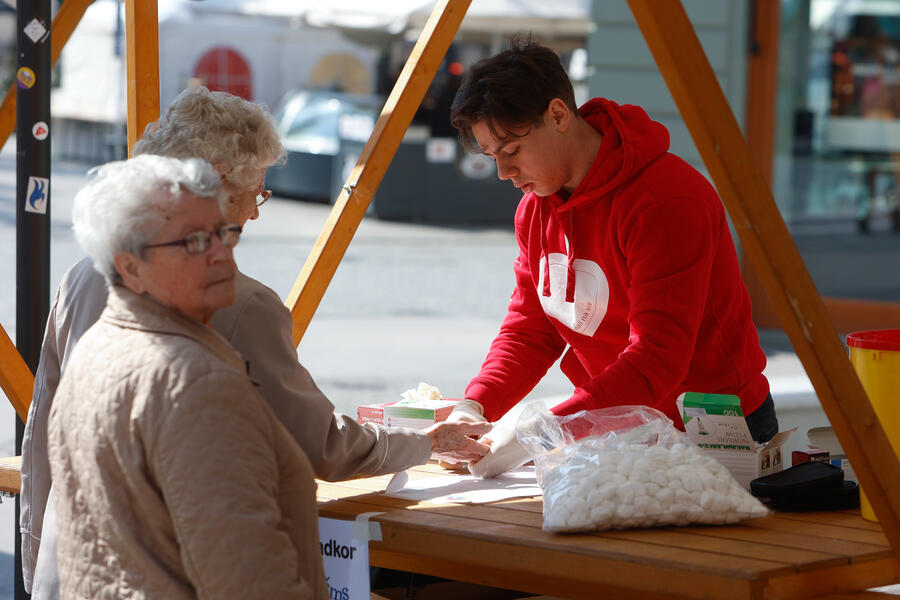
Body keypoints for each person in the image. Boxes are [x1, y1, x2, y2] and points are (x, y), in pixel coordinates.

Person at [20, 87, 490, 596]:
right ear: (217, 186)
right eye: (258, 192)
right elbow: (319, 453)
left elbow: (43, 433)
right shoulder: (240, 306)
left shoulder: (82, 276)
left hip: (71, 569)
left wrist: (33, 556)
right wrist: (424, 443)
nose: (256, 214)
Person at [446, 38, 779, 477]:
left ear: (559, 115)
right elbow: (532, 329)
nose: (504, 173)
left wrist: (547, 430)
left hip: (715, 428)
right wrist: (475, 404)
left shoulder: (665, 199)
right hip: (618, 421)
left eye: (512, 151)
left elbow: (658, 355)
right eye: (493, 157)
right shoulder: (535, 207)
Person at [48, 154, 328, 597]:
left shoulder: (96, 346)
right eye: (194, 242)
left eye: (221, 232)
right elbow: (249, 581)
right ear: (131, 269)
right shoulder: (193, 381)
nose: (221, 252)